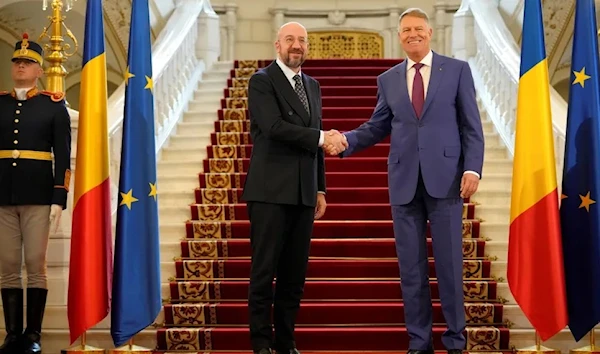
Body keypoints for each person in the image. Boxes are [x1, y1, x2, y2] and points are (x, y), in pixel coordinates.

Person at [325, 8, 484, 354]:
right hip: (404, 184)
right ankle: (419, 343)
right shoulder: (389, 79)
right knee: (411, 270)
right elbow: (377, 126)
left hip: (447, 182)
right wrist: (346, 141)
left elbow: (471, 126)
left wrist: (472, 169)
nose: (412, 34)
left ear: (429, 32)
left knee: (449, 268)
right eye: (406, 30)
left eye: (418, 28)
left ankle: (456, 343)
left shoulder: (456, 70)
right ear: (399, 36)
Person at [241, 22, 347, 354]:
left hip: (303, 193)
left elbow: (315, 141)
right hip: (270, 191)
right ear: (277, 45)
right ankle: (261, 343)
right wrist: (321, 137)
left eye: (302, 40)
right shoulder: (261, 80)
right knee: (264, 272)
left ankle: (286, 343)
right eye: (290, 40)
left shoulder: (313, 85)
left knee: (293, 277)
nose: (296, 45)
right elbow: (273, 127)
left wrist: (320, 188)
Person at [0, 33, 71, 354]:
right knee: (8, 264)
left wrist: (59, 198)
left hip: (39, 194)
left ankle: (33, 334)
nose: (20, 67)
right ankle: (12, 334)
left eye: (27, 63)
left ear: (39, 71)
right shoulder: (0, 103)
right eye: (17, 62)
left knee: (34, 263)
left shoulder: (52, 107)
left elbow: (62, 155)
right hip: (3, 194)